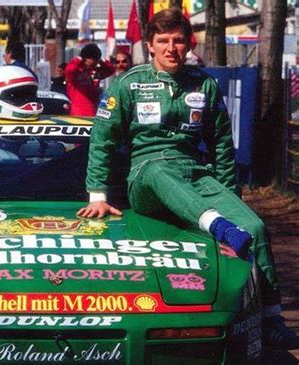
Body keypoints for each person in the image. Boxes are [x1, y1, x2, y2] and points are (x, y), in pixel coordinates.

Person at [77, 7, 299, 350]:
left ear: (187, 44)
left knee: (253, 227)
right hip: (145, 176)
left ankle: (271, 318)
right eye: (163, 41)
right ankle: (218, 226)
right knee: (157, 170)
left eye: (178, 41)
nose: (171, 48)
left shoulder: (204, 85)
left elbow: (222, 144)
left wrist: (229, 195)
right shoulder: (127, 83)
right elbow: (102, 139)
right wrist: (97, 195)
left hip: (196, 174)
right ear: (149, 46)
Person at [64, 43, 115, 117]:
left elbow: (111, 70)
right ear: (86, 58)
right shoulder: (75, 72)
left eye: (97, 59)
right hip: (78, 114)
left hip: (94, 113)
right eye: (94, 59)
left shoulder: (94, 72)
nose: (96, 62)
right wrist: (80, 58)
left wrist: (101, 60)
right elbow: (69, 69)